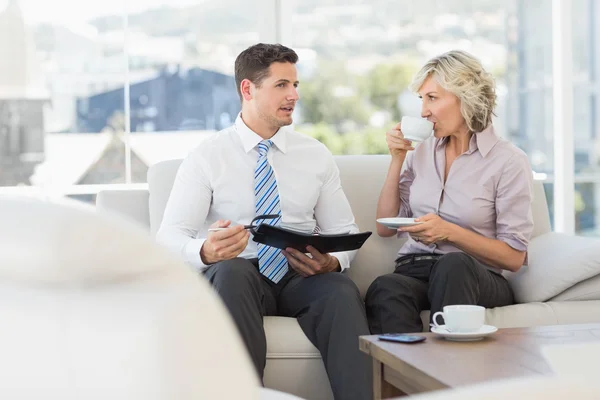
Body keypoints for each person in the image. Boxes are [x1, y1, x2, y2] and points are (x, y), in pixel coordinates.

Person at [156, 43, 372, 400]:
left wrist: (333, 261)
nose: (294, 96)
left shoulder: (315, 155)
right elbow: (168, 237)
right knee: (231, 273)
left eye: (296, 85)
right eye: (282, 85)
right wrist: (206, 251)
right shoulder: (207, 157)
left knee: (340, 290)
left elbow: (343, 232)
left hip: (298, 273)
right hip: (239, 274)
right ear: (247, 89)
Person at [365, 50, 534, 334]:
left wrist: (449, 232)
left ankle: (448, 370)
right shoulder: (422, 152)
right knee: (386, 287)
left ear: (465, 98)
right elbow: (385, 227)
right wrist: (397, 158)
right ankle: (406, 376)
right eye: (422, 99)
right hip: (416, 268)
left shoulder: (508, 161)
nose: (423, 112)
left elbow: (514, 258)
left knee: (453, 266)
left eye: (432, 98)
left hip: (475, 276)